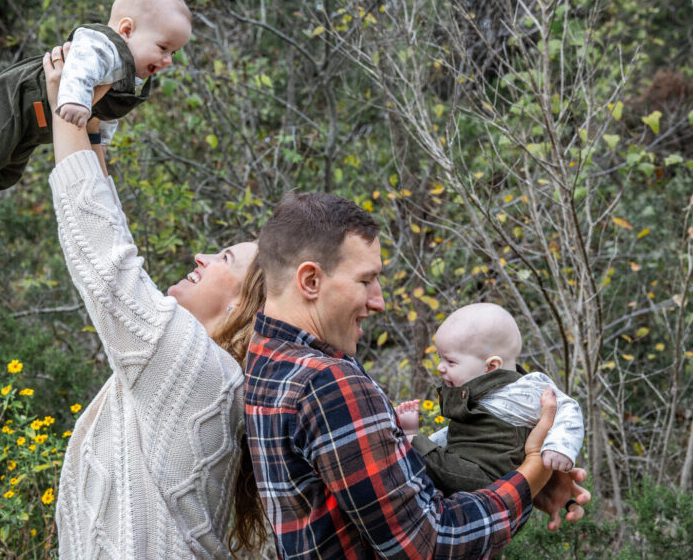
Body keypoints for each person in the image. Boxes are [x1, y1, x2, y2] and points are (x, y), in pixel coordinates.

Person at [244, 192, 590, 559]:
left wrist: (514, 478)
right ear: (311, 280)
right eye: (366, 281)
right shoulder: (327, 383)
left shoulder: (266, 357)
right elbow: (429, 545)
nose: (379, 301)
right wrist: (530, 472)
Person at [41, 44, 266, 559]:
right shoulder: (208, 372)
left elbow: (104, 260)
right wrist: (86, 119)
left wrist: (67, 108)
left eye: (225, 258)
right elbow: (110, 232)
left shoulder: (198, 370)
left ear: (241, 307)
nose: (203, 255)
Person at [0, 0, 192, 227]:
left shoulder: (133, 77)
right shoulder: (104, 47)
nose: (168, 60)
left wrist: (101, 143)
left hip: (38, 122)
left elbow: (108, 112)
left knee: (5, 172)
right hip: (16, 99)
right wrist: (76, 100)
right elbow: (80, 70)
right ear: (127, 30)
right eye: (163, 48)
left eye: (174, 53)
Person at [395, 302, 584, 494]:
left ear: (491, 366)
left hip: (490, 480)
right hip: (461, 467)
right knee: (431, 475)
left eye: (450, 361)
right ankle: (413, 445)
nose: (440, 367)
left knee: (436, 469)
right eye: (440, 358)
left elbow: (568, 408)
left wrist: (559, 447)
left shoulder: (524, 389)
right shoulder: (474, 392)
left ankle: (412, 441)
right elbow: (458, 434)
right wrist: (432, 442)